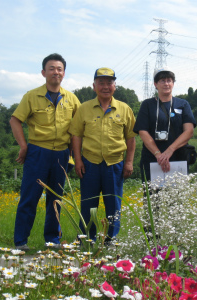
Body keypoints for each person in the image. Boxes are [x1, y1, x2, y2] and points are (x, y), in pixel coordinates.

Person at [10, 53, 81, 251]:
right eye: (51, 69)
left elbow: (78, 130)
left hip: (61, 155)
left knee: (55, 199)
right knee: (29, 197)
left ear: (64, 73)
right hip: (37, 153)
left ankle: (52, 240)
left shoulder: (72, 99)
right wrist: (24, 146)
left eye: (59, 69)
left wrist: (75, 157)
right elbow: (15, 120)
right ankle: (21, 241)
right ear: (43, 72)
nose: (55, 72)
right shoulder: (32, 96)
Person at [69, 67, 137, 245]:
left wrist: (129, 162)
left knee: (113, 205)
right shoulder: (84, 108)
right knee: (88, 204)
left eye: (109, 83)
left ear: (115, 86)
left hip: (115, 164)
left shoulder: (124, 108)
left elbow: (131, 138)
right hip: (89, 164)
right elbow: (76, 135)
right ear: (94, 86)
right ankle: (87, 239)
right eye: (101, 83)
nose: (105, 86)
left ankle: (110, 239)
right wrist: (77, 160)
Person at [133, 66, 196, 183]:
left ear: (173, 83)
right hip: (152, 158)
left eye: (169, 80)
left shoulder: (183, 104)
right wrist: (158, 155)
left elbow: (189, 131)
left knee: (177, 198)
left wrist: (169, 151)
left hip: (178, 157)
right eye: (162, 81)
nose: (166, 84)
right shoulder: (147, 104)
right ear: (155, 84)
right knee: (153, 198)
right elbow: (143, 131)